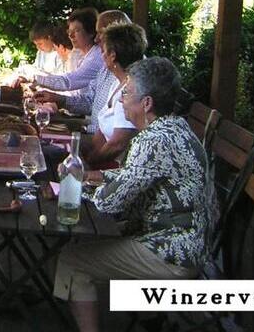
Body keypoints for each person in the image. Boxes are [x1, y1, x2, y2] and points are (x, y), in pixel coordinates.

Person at [53, 57, 218, 332]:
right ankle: (149, 319)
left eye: (127, 94)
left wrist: (74, 184)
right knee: (83, 242)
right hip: (188, 243)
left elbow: (110, 204)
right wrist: (94, 176)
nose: (121, 100)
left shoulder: (153, 140)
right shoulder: (175, 127)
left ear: (147, 103)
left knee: (73, 260)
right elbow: (136, 176)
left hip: (173, 253)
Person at [34, 11, 131, 133]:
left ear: (118, 35)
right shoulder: (106, 68)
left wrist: (34, 78)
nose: (97, 38)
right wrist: (58, 99)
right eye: (69, 32)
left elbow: (68, 82)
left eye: (100, 33)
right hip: (92, 130)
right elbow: (90, 102)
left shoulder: (129, 74)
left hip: (95, 135)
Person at [82, 22, 147, 168]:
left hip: (119, 167)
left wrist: (88, 164)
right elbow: (101, 133)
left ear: (112, 56)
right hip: (103, 159)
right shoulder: (116, 82)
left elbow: (118, 144)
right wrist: (86, 157)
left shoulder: (131, 92)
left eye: (103, 51)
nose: (102, 55)